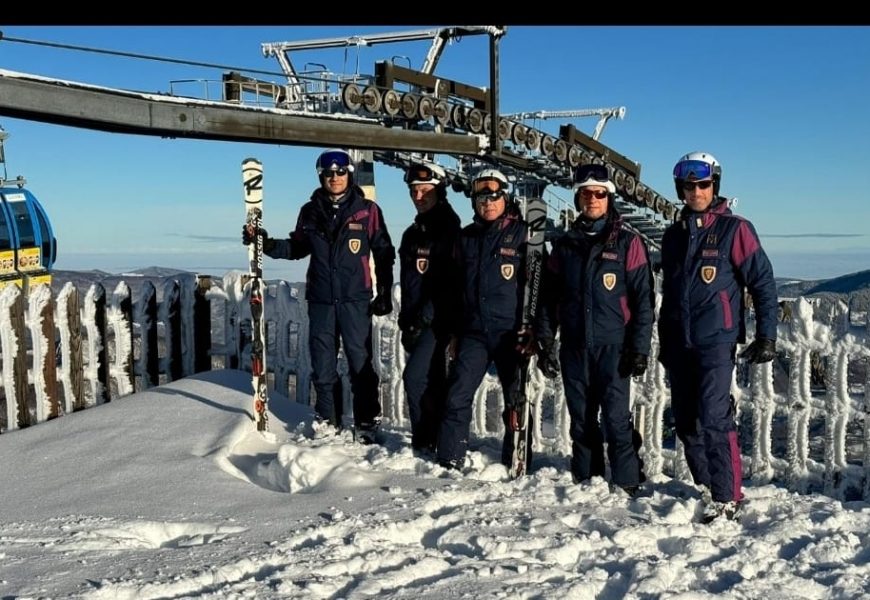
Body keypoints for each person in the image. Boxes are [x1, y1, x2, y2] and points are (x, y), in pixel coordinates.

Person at [242, 148, 395, 443]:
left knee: (359, 363)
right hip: (322, 299)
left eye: (340, 172)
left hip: (355, 300)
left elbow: (384, 251)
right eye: (328, 173)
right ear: (321, 176)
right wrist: (266, 243)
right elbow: (298, 247)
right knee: (322, 364)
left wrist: (384, 289)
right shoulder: (310, 211)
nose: (334, 178)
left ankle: (366, 421)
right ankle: (328, 420)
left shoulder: (367, 210)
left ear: (349, 173)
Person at [659, 151, 778, 521]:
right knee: (685, 420)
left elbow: (762, 282)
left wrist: (766, 334)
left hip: (716, 339)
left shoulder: (735, 230)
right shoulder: (673, 236)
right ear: (680, 188)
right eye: (689, 185)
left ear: (715, 186)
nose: (696, 191)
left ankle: (729, 496)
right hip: (679, 341)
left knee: (713, 416)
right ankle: (709, 487)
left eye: (703, 184)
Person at [542, 163, 654, 496]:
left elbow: (643, 301)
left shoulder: (627, 244)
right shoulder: (564, 246)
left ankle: (627, 481)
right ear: (577, 198)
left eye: (600, 194)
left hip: (613, 346)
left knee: (617, 420)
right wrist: (547, 342)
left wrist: (639, 348)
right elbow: (549, 300)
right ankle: (586, 480)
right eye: (587, 193)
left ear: (609, 198)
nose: (593, 199)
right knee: (581, 419)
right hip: (575, 345)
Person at [436, 168, 558, 471]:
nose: (487, 202)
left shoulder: (524, 235)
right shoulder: (467, 238)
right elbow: (453, 288)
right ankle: (449, 458)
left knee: (515, 399)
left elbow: (541, 288)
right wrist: (453, 331)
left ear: (505, 196)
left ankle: (514, 459)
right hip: (473, 332)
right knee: (457, 394)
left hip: (511, 332)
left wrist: (536, 332)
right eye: (481, 197)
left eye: (494, 196)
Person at [398, 162, 462, 453]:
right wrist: (405, 316)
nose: (418, 195)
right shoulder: (414, 232)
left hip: (438, 322)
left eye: (425, 190)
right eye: (414, 190)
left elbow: (448, 283)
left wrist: (421, 320)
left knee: (414, 378)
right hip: (416, 320)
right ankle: (432, 438)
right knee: (432, 381)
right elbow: (410, 280)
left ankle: (424, 440)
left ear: (439, 191)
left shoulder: (447, 229)